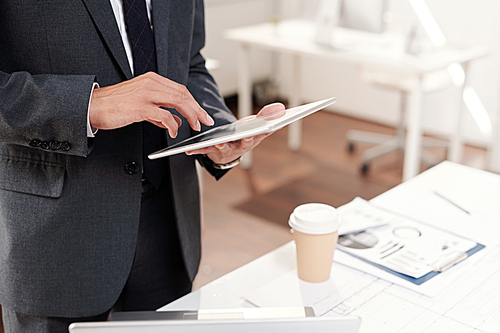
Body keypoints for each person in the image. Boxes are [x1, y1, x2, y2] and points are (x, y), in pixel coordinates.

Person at [0, 0, 285, 332]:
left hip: (169, 224)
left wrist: (217, 130)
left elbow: (188, 64)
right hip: (56, 233)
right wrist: (90, 105)